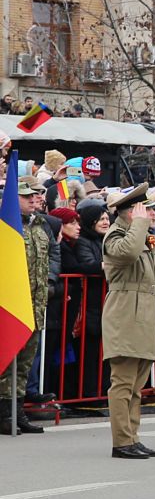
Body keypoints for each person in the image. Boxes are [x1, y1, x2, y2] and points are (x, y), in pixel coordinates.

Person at [102, 185, 155, 459]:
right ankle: (121, 441)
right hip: (126, 315)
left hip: (144, 316)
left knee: (137, 385)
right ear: (130, 212)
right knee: (123, 383)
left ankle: (132, 436)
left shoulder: (142, 236)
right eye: (145, 210)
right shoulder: (115, 236)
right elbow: (127, 253)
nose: (151, 216)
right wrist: (138, 224)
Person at [0, 177, 50, 433]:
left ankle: (17, 411)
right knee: (7, 362)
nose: (33, 199)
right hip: (11, 307)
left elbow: (49, 263)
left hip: (34, 306)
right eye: (26, 196)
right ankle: (5, 414)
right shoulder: (6, 227)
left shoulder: (40, 227)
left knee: (25, 363)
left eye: (36, 195)